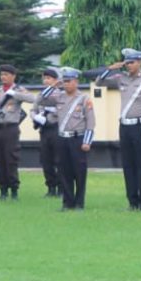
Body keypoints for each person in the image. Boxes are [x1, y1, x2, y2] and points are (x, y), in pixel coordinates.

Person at [0, 64, 34, 200]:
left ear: (13, 76)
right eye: (2, 75)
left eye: (6, 75)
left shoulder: (18, 90)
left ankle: (14, 189)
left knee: (10, 159)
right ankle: (3, 189)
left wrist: (15, 94)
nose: (3, 77)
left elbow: (33, 98)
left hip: (10, 128)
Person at [54, 67, 96, 210]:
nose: (66, 84)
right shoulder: (59, 97)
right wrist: (54, 85)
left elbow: (91, 122)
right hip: (62, 139)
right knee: (64, 172)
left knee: (79, 172)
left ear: (76, 82)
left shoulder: (84, 99)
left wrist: (87, 141)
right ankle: (67, 202)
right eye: (64, 81)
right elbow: (41, 99)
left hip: (78, 139)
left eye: (69, 81)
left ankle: (79, 203)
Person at [28, 66, 64, 198]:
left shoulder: (60, 93)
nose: (46, 81)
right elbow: (34, 108)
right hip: (44, 130)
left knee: (58, 160)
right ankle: (51, 187)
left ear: (55, 80)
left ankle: (61, 187)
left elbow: (61, 109)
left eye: (49, 78)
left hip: (56, 128)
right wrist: (35, 117)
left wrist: (51, 114)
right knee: (46, 160)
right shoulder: (41, 94)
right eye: (44, 78)